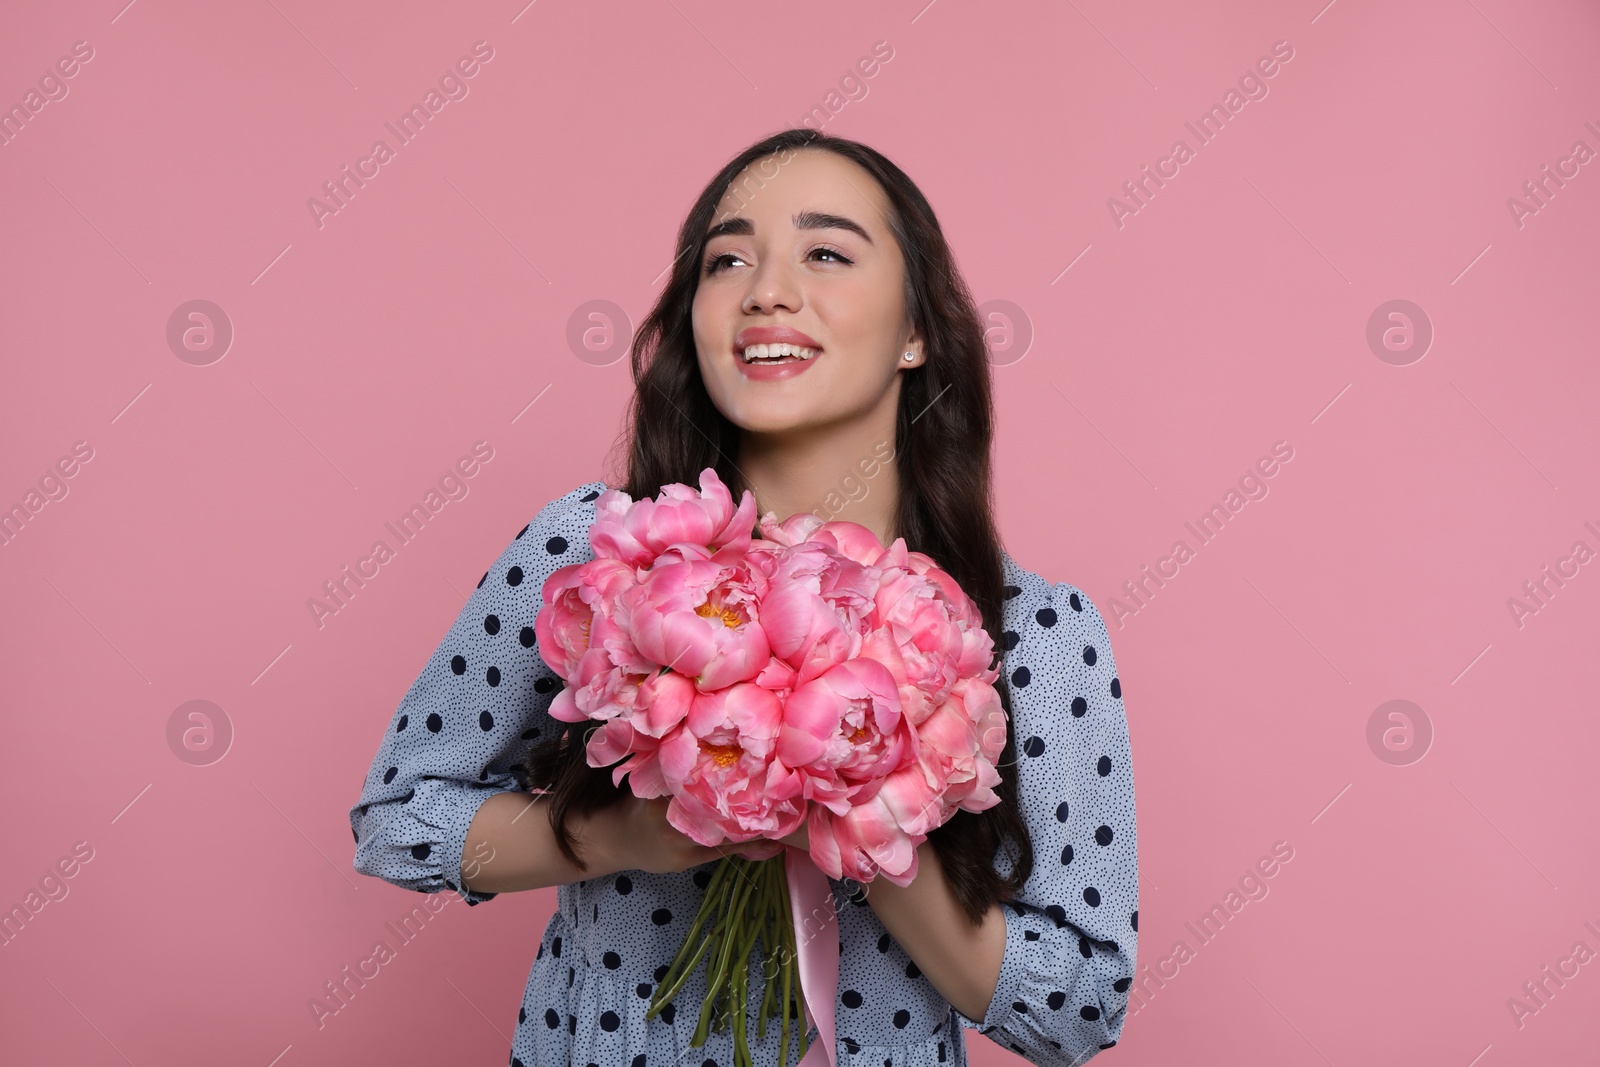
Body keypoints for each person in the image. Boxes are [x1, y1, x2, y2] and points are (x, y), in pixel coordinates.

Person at [349, 128, 1139, 1067]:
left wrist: (875, 833)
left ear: (919, 331)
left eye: (826, 252)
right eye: (728, 259)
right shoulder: (596, 553)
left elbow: (1081, 1007)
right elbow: (399, 821)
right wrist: (621, 835)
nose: (766, 289)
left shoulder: (1034, 632)